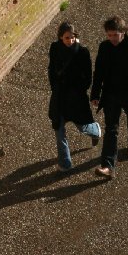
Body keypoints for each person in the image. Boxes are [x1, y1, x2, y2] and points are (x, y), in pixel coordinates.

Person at [91, 16, 128, 175]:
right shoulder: (104, 47)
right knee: (111, 129)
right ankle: (108, 166)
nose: (112, 39)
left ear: (123, 32)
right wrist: (95, 94)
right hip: (111, 95)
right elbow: (99, 73)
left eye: (115, 35)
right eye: (109, 35)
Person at [48, 21, 101, 171]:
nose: (70, 41)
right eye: (66, 38)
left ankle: (95, 131)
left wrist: (79, 90)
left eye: (72, 37)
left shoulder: (82, 52)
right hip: (59, 97)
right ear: (60, 38)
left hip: (76, 98)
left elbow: (88, 77)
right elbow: (51, 69)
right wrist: (54, 87)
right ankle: (65, 163)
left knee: (82, 126)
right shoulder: (55, 48)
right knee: (59, 129)